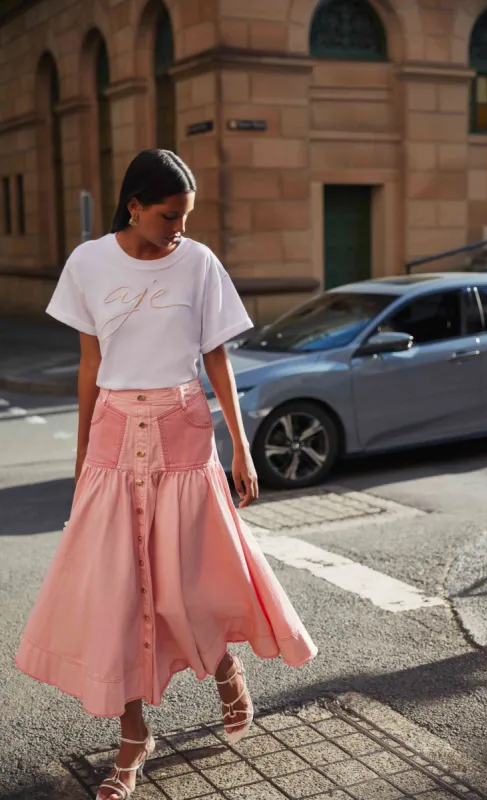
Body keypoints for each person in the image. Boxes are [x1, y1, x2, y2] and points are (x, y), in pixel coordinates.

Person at [15, 150, 318, 800]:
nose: (179, 228)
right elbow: (90, 364)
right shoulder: (88, 263)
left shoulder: (199, 263)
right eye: (169, 215)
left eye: (186, 216)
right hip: (114, 434)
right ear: (134, 206)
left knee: (190, 583)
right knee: (116, 598)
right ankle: (133, 738)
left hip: (184, 432)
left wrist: (241, 447)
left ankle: (226, 669)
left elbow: (217, 358)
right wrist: (82, 460)